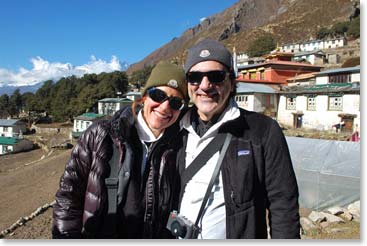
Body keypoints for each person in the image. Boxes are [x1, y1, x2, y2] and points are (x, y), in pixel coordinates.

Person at [174, 39, 300, 239]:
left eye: (216, 76)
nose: (205, 86)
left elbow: (283, 203)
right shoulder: (176, 128)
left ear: (232, 82)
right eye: (195, 77)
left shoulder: (262, 130)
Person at [52, 62, 187, 238]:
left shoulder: (178, 147)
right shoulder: (101, 134)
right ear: (145, 96)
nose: (164, 107)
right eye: (158, 95)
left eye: (175, 102)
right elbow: (68, 196)